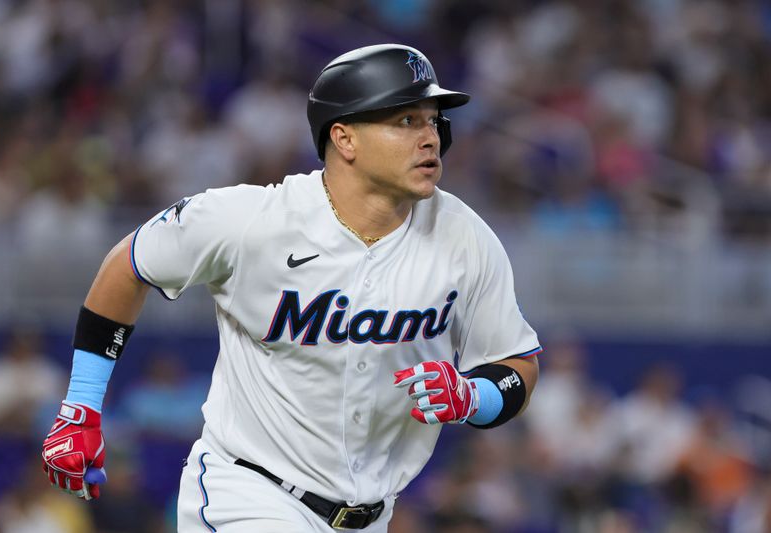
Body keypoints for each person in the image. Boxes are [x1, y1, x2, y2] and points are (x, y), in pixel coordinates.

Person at [40, 44, 542, 532]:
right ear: (344, 139)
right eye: (405, 121)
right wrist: (80, 405)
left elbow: (518, 363)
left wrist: (474, 395)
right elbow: (129, 264)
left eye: (433, 120)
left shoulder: (465, 237)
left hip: (373, 515)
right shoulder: (254, 219)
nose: (429, 137)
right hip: (249, 495)